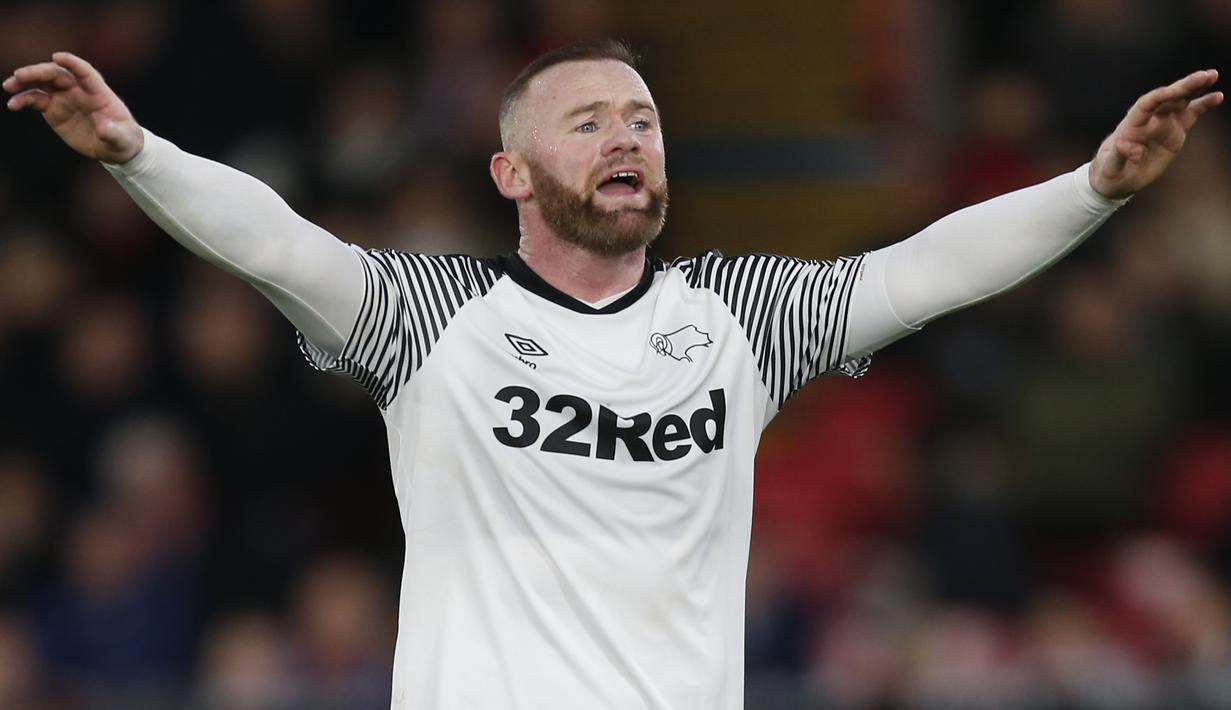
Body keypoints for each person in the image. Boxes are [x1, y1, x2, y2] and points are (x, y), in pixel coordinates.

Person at [4, 38, 1221, 710]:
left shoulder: (742, 314)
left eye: (640, 116)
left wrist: (1094, 187)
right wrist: (136, 152)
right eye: (586, 121)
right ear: (512, 174)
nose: (626, 135)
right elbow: (279, 242)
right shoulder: (435, 317)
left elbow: (925, 270)